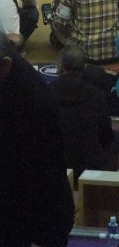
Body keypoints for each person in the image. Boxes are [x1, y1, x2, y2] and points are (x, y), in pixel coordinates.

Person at [0, 24, 74, 247]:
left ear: (4, 64)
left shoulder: (36, 101)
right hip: (5, 210)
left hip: (36, 220)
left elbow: (46, 171)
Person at [49, 45, 117, 178]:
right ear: (84, 68)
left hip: (56, 163)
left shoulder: (47, 93)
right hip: (91, 165)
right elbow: (106, 135)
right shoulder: (97, 95)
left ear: (60, 67)